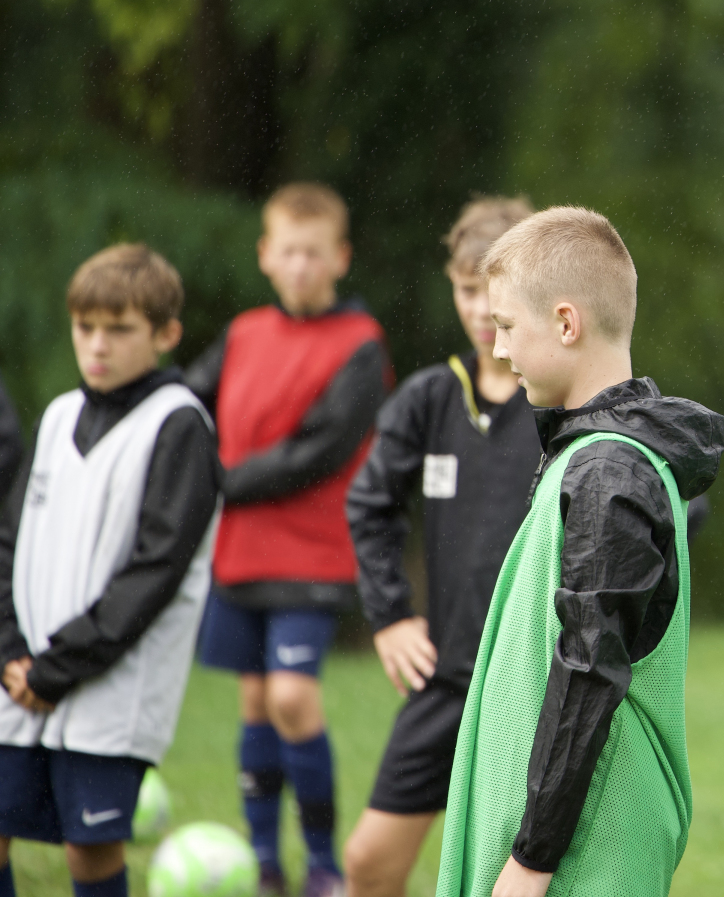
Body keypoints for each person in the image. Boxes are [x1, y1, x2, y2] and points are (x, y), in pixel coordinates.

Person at [433, 207, 723, 897]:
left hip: (582, 855)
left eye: (507, 326)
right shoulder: (588, 456)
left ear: (566, 323)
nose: (498, 348)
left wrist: (533, 859)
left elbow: (588, 673)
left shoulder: (608, 471)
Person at [186, 183, 391, 897]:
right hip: (240, 551)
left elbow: (319, 452)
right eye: (288, 251)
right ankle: (265, 866)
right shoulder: (244, 333)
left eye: (314, 252)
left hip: (314, 554)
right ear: (265, 255)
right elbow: (185, 402)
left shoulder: (360, 344)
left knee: (293, 698)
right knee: (255, 703)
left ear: (340, 258)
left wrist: (218, 483)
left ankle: (324, 866)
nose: (300, 265)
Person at [0, 245, 222, 897]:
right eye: (85, 327)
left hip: (109, 686)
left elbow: (155, 571)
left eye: (119, 329)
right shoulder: (59, 415)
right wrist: (11, 651)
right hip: (22, 675)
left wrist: (59, 666)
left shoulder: (180, 424)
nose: (97, 346)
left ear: (166, 334)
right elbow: (9, 539)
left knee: (89, 850)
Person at [341, 197, 541, 897]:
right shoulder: (431, 397)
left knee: (507, 879)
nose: (482, 310)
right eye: (465, 289)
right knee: (368, 864)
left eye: (496, 292)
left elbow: (669, 507)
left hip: (534, 690)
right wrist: (391, 616)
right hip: (448, 681)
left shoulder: (564, 402)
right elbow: (369, 504)